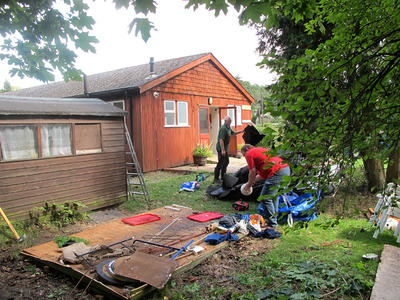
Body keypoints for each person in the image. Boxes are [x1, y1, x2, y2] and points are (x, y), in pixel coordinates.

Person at [241, 144, 290, 228]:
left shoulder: (250, 153)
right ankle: (274, 220)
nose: (245, 157)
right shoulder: (261, 151)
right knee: (274, 197)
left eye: (243, 154)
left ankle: (272, 223)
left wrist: (249, 184)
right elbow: (259, 175)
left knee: (265, 198)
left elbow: (252, 171)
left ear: (247, 149)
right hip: (285, 170)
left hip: (276, 172)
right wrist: (251, 182)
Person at [213, 115, 243, 184]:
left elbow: (233, 133)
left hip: (225, 149)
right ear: (225, 121)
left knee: (226, 162)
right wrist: (223, 150)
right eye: (229, 121)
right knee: (221, 163)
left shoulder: (228, 127)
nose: (230, 122)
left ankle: (223, 177)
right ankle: (216, 178)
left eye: (231, 121)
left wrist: (241, 131)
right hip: (221, 149)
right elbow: (221, 140)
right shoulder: (223, 128)